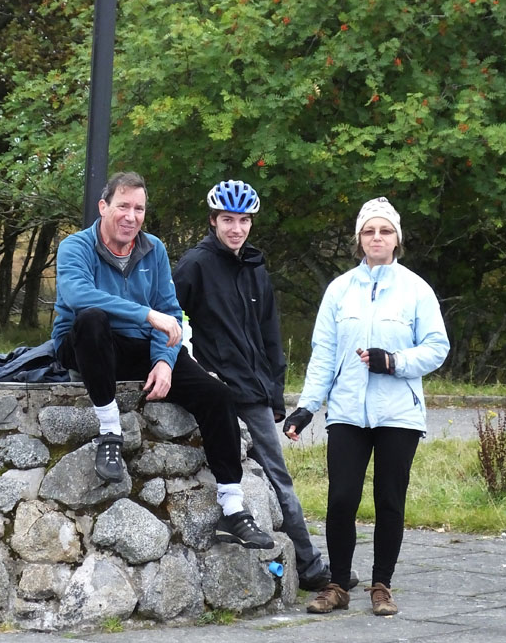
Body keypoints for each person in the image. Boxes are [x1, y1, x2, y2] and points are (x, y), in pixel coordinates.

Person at [53, 170, 273, 550]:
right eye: (123, 206)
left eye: (139, 208)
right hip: (86, 343)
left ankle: (233, 508)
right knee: (92, 319)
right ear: (104, 207)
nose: (131, 216)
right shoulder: (75, 246)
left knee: (217, 395)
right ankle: (110, 431)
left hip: (140, 346)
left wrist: (164, 362)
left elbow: (170, 312)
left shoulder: (153, 249)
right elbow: (79, 296)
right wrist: (145, 315)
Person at [284, 196, 450, 616]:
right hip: (347, 411)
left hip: (399, 413)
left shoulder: (416, 289)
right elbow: (324, 353)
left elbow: (437, 348)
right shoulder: (340, 290)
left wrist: (394, 362)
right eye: (369, 231)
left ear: (397, 239)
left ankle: (381, 586)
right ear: (359, 239)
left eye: (385, 230)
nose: (377, 237)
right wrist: (307, 407)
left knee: (389, 500)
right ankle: (337, 584)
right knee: (341, 499)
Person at [173, 180, 341, 592]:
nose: (236, 228)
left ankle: (309, 564)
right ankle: (310, 563)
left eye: (243, 220)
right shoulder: (193, 265)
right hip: (215, 383)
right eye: (227, 220)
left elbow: (269, 333)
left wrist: (275, 391)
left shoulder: (255, 267)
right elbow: (171, 320)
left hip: (254, 389)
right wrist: (195, 369)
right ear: (213, 221)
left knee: (277, 476)